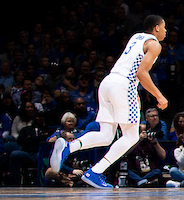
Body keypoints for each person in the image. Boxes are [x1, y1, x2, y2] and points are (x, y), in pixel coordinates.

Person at [52, 15, 169, 188]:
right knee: (131, 136)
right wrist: (159, 96)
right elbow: (141, 73)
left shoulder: (136, 37)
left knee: (106, 135)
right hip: (123, 85)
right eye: (164, 27)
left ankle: (68, 148)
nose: (166, 31)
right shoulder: (154, 44)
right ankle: (95, 172)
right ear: (157, 27)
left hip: (107, 82)